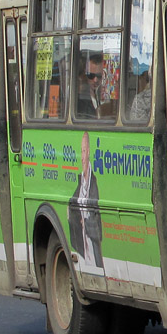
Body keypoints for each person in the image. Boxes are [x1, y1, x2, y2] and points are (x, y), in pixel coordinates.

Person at [67, 131, 103, 273]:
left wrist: (85, 221)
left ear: (88, 152)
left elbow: (98, 225)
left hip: (93, 252)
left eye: (83, 151)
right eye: (80, 152)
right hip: (83, 252)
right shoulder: (80, 183)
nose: (81, 157)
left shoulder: (94, 184)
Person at [76, 53, 104, 118]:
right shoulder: (78, 101)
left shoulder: (113, 100)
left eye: (99, 76)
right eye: (91, 76)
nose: (95, 80)